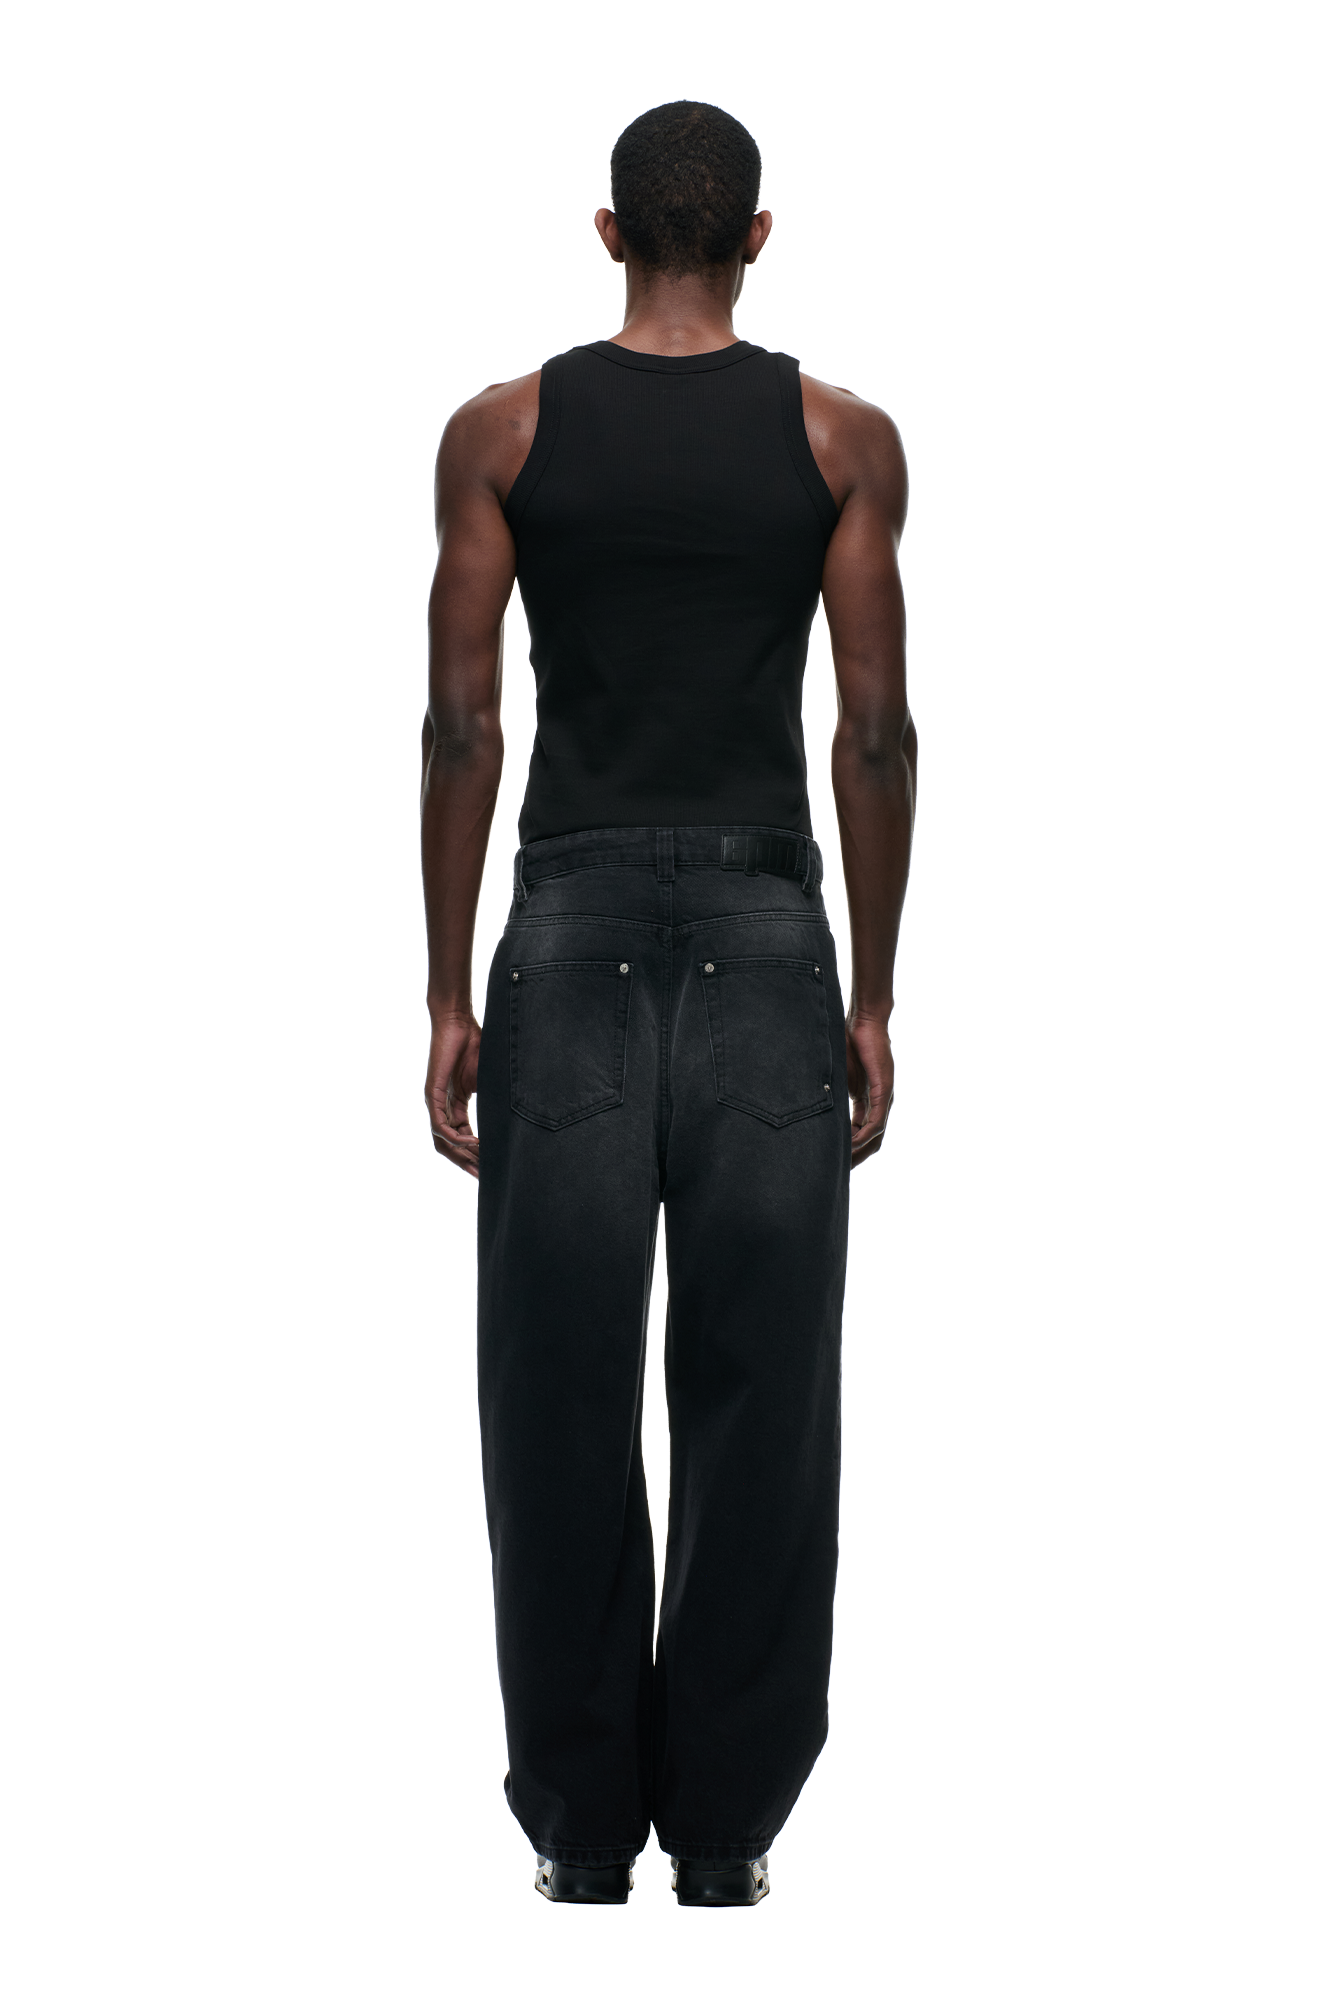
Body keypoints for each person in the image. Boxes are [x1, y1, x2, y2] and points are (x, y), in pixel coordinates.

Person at [420, 100, 915, 1908]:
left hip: (567, 932)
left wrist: (448, 991)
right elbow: (874, 731)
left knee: (553, 1390)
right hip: (772, 941)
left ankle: (578, 1836)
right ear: (761, 238)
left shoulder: (507, 431)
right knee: (761, 1397)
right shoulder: (839, 439)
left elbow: (464, 723)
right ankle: (722, 1839)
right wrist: (871, 995)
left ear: (611, 238)